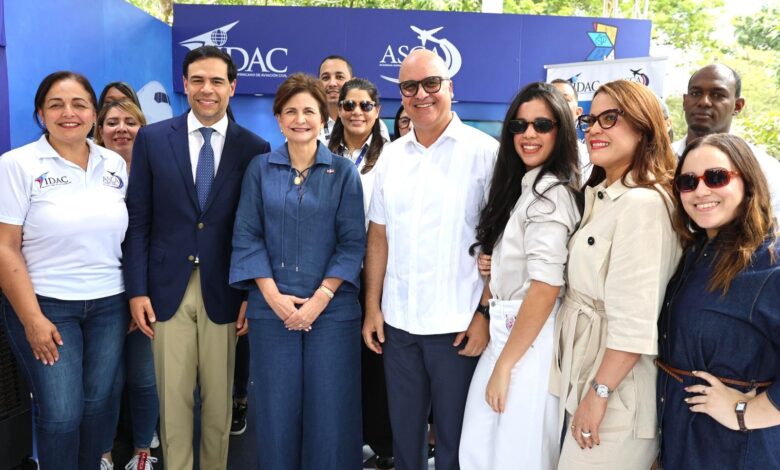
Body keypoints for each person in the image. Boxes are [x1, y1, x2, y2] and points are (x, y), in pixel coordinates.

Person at [123, 46, 270, 470]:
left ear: (232, 87)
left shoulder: (254, 148)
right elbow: (139, 221)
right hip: (165, 289)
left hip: (226, 289)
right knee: (172, 401)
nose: (207, 89)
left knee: (220, 405)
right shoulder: (153, 139)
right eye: (198, 80)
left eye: (217, 81)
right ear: (185, 85)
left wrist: (251, 293)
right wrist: (136, 291)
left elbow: (256, 229)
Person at [362, 49, 498, 470]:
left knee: (456, 445)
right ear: (401, 95)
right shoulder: (391, 157)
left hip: (458, 329)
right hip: (399, 326)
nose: (421, 94)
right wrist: (372, 307)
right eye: (409, 87)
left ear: (450, 88)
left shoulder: (485, 153)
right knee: (405, 442)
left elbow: (501, 244)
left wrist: (484, 314)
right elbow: (379, 236)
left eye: (431, 83)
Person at [230, 73, 366, 469]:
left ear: (324, 118)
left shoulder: (343, 172)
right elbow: (247, 236)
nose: (300, 119)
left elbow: (352, 243)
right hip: (272, 311)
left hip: (333, 312)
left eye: (309, 111)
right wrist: (274, 299)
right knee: (275, 412)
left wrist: (319, 300)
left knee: (331, 413)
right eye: (290, 111)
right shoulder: (259, 169)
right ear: (278, 118)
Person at [550, 80, 682, 469]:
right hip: (587, 373)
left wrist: (599, 393)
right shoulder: (601, 194)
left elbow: (635, 320)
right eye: (590, 120)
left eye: (610, 118)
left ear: (643, 127)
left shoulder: (643, 204)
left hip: (617, 393)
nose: (593, 129)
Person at [0, 71, 129, 469]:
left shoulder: (114, 163)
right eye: (56, 105)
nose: (68, 113)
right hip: (47, 305)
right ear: (41, 114)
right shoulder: (17, 164)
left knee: (98, 406)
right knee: (62, 414)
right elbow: (5, 247)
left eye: (79, 104)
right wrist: (32, 319)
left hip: (110, 303)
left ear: (94, 113)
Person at [459, 82, 582, 469]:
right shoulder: (528, 186)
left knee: (516, 456)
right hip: (509, 333)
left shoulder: (550, 194)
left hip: (529, 341)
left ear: (561, 131)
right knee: (481, 451)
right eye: (519, 125)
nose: (529, 134)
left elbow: (545, 288)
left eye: (542, 125)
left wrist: (505, 365)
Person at [657, 134, 780, 469]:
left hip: (735, 452)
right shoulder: (694, 252)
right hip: (682, 444)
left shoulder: (769, 263)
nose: (700, 190)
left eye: (716, 177)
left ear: (748, 183)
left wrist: (744, 412)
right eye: (687, 182)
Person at [327, 77, 394, 470]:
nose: (356, 112)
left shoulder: (394, 156)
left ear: (377, 110)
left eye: (365, 105)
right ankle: (343, 443)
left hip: (377, 275)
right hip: (333, 276)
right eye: (349, 105)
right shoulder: (321, 151)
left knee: (376, 363)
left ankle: (383, 446)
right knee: (339, 366)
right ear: (338, 110)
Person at [94, 97, 159, 470]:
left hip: (144, 293)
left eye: (130, 122)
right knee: (106, 382)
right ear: (99, 130)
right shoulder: (89, 173)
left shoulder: (157, 172)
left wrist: (140, 292)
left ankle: (142, 453)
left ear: (143, 128)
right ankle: (103, 454)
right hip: (100, 294)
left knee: (144, 378)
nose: (121, 129)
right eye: (112, 122)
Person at [673, 64, 780, 215]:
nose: (704, 102)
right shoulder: (657, 160)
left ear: (737, 106)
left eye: (717, 95)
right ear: (685, 101)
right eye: (695, 93)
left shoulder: (764, 167)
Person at [318, 55, 389, 144]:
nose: (332, 83)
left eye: (339, 77)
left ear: (352, 82)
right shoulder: (310, 122)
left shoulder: (376, 126)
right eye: (326, 78)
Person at [550, 79, 590, 184]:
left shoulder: (591, 156)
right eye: (551, 98)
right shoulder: (531, 151)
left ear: (578, 112)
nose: (557, 104)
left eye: (565, 99)